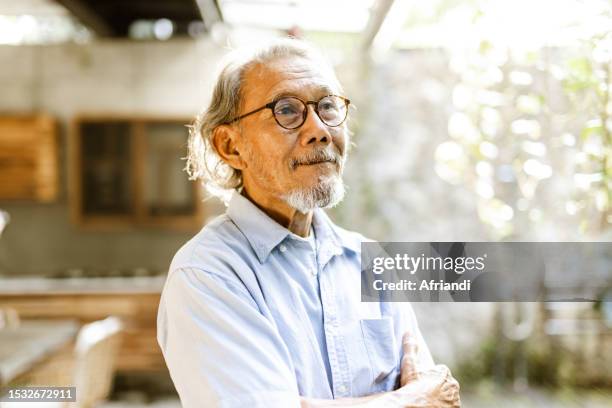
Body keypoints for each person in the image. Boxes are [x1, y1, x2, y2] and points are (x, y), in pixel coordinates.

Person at [157, 38, 460, 408]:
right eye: (286, 110)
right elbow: (427, 398)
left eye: (328, 106)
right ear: (231, 147)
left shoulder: (369, 262)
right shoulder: (208, 274)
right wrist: (410, 400)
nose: (318, 129)